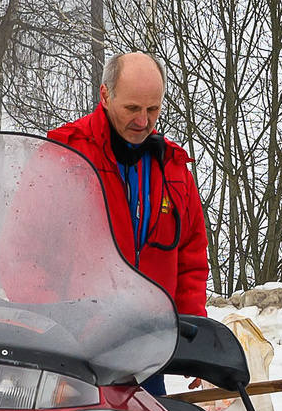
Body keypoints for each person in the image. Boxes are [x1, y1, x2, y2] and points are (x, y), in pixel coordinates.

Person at [47, 52, 212, 393]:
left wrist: (192, 335)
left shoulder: (174, 169)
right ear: (105, 96)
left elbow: (191, 260)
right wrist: (54, 331)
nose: (143, 121)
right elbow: (23, 253)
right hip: (74, 357)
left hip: (147, 355)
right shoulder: (64, 156)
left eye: (153, 109)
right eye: (133, 109)